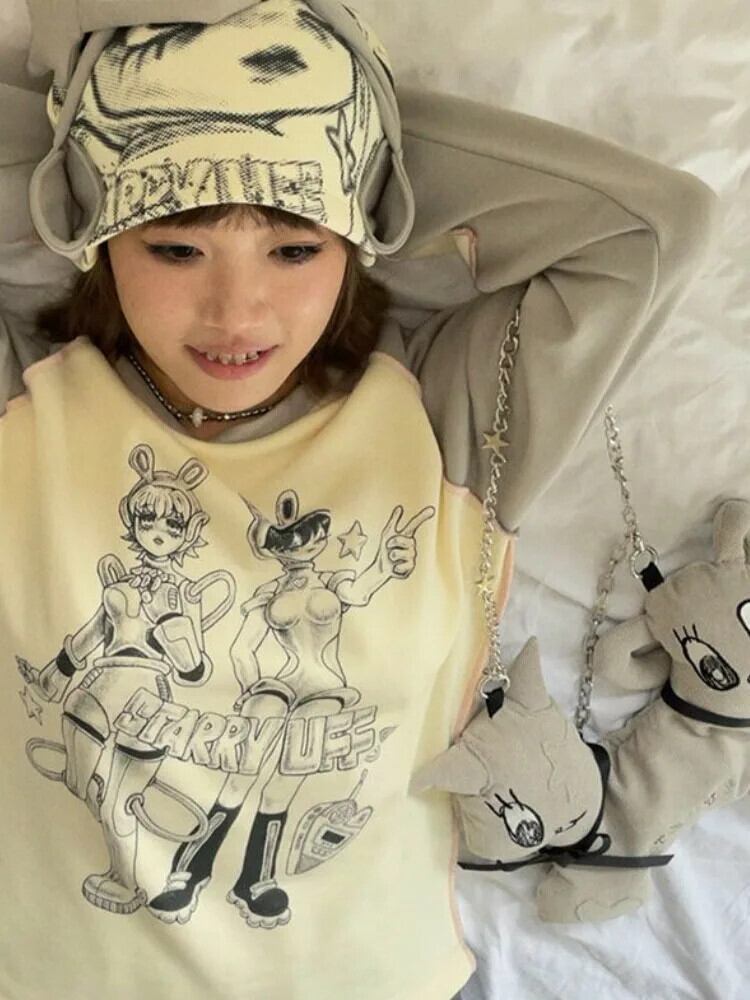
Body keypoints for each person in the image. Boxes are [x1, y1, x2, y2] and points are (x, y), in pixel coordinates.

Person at [0, 1, 719, 998]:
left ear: (358, 238)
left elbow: (653, 226)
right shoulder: (26, 405)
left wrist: (347, 125)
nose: (236, 312)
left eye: (296, 248)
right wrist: (98, 115)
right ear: (98, 231)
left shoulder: (448, 417)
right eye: (174, 248)